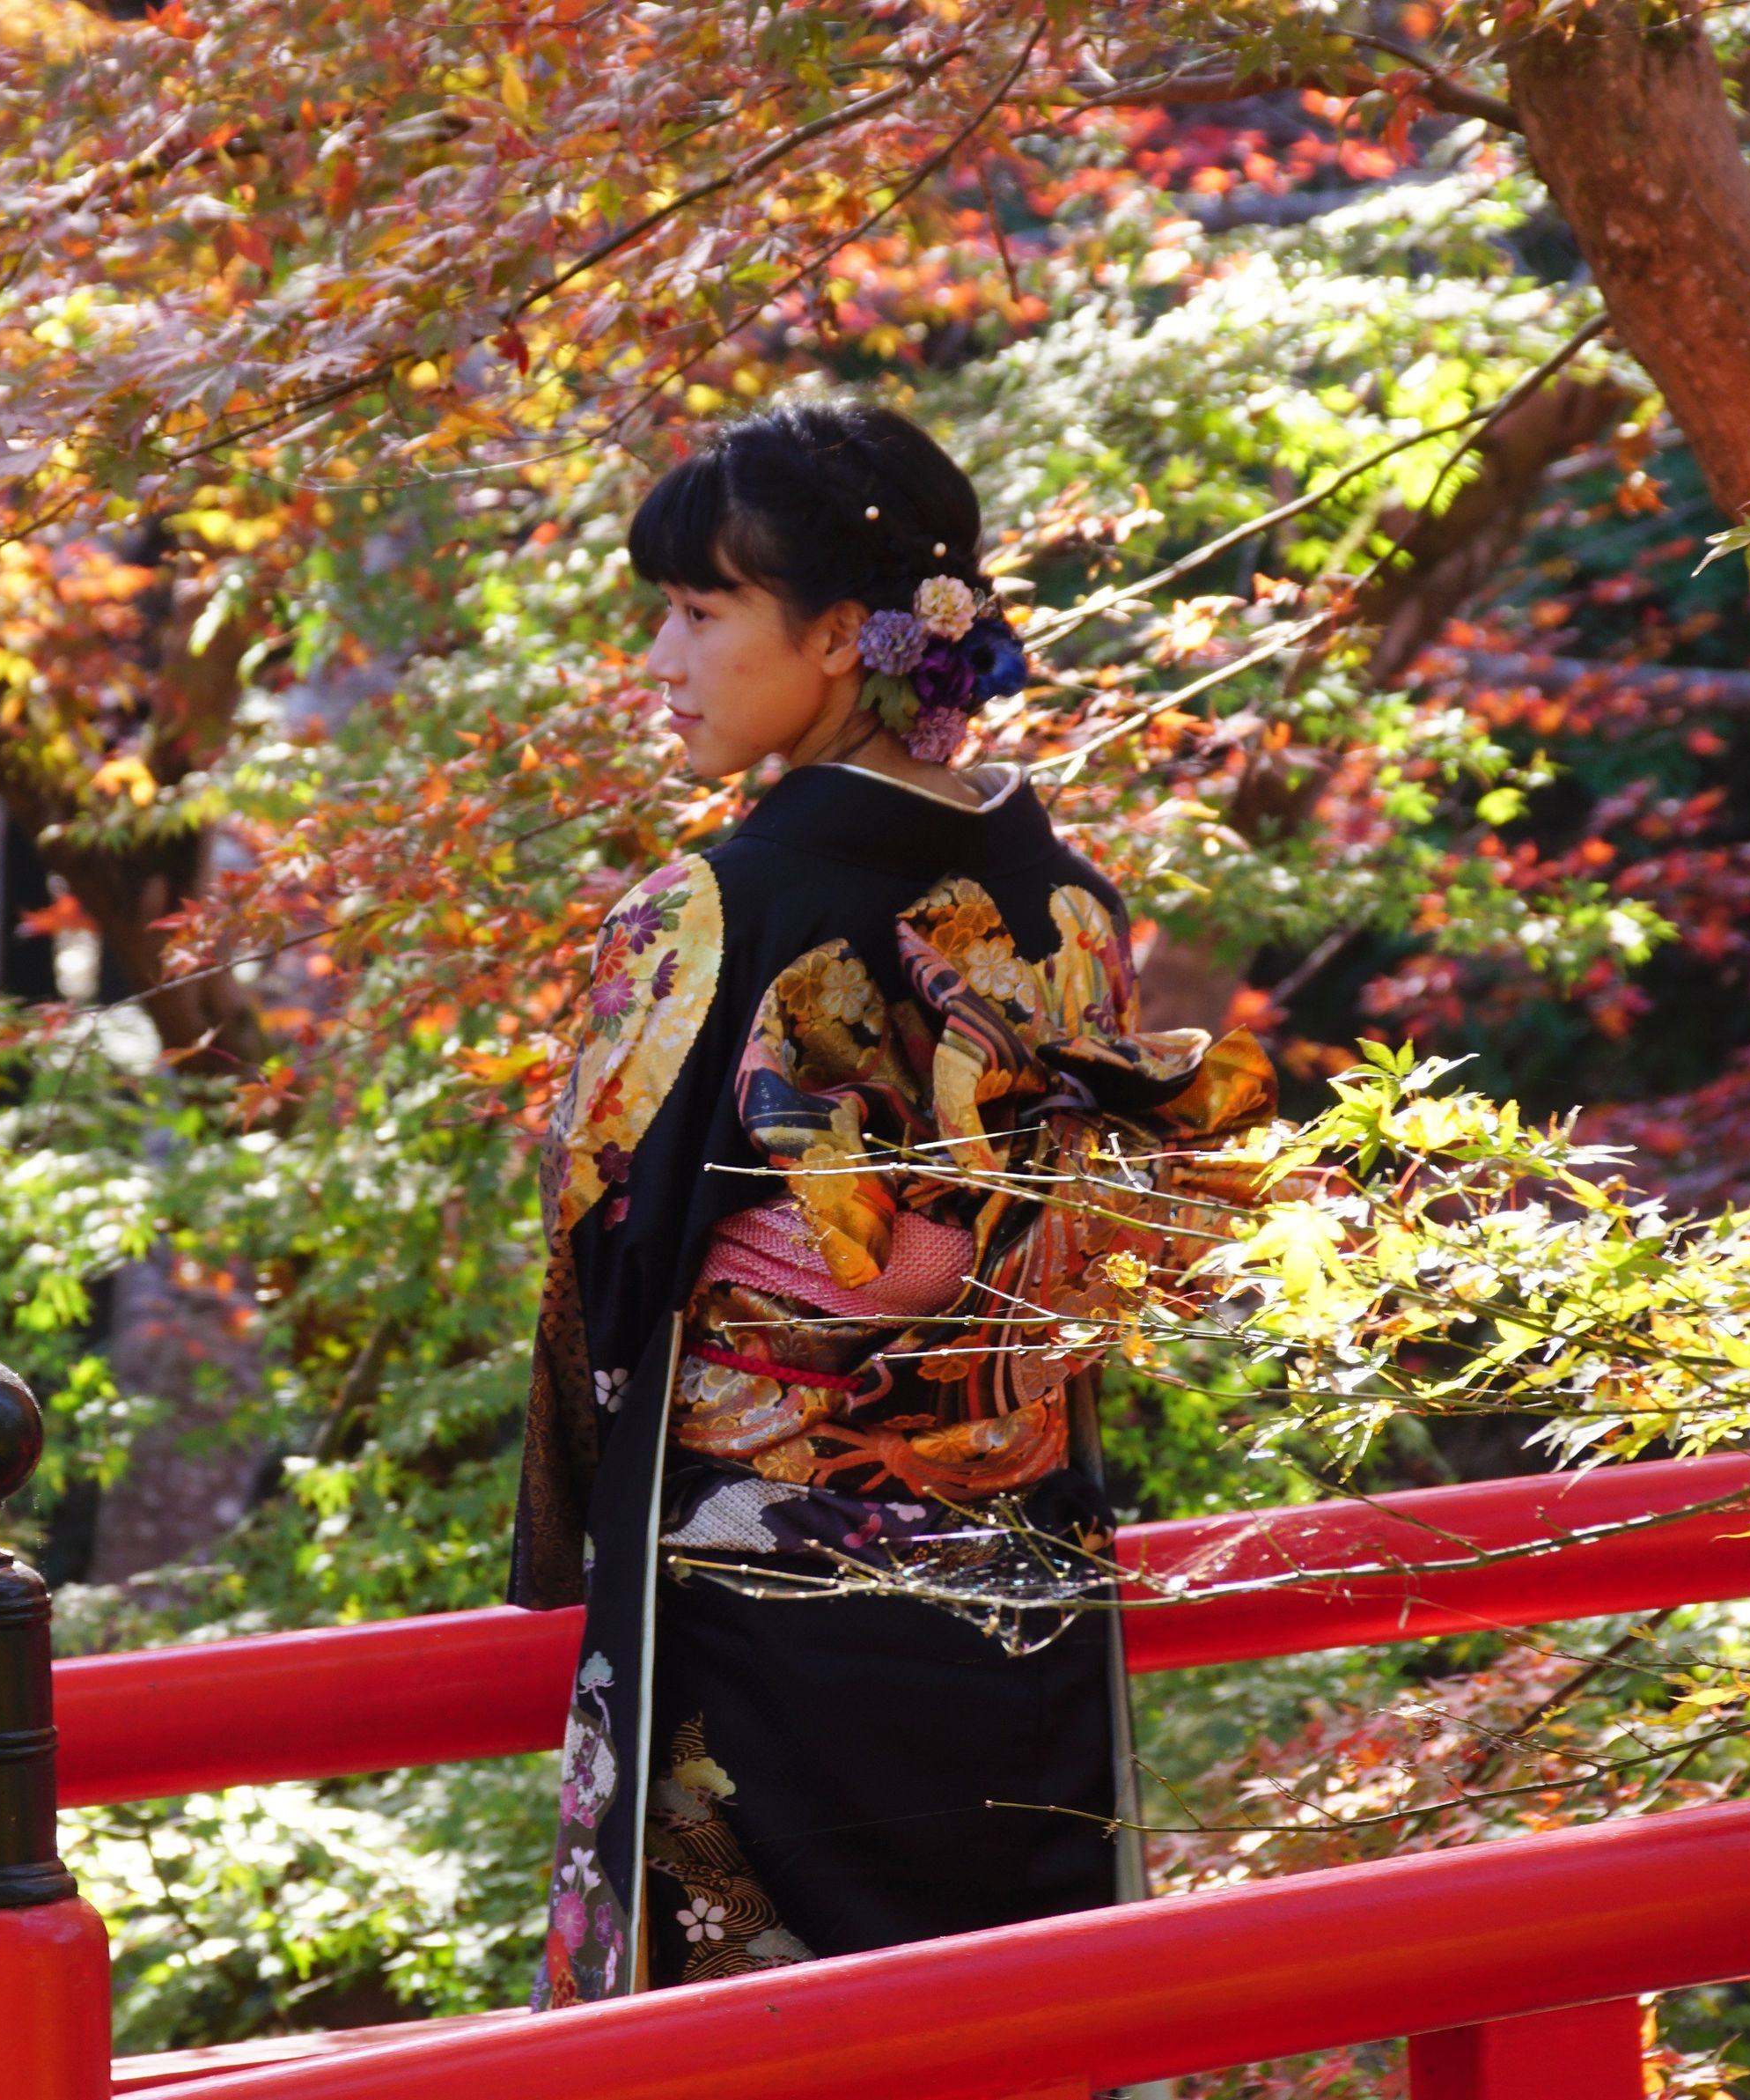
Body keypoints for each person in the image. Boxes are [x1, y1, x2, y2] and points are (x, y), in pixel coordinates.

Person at [511, 399, 1279, 2007]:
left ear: (840, 638)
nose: (660, 657)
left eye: (698, 611)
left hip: (762, 1598)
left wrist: (569, 1514)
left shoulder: (706, 913)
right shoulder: (1068, 904)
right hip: (1020, 1572)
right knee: (1010, 2011)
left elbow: (609, 1267)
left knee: (756, 2035)